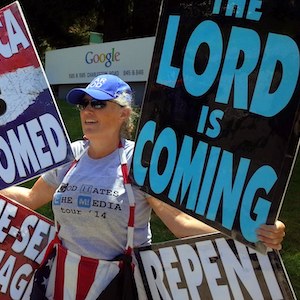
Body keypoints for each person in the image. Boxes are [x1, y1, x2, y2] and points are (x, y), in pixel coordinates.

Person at [0, 74, 286, 299]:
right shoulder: (69, 155)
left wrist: (253, 232)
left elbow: (180, 223)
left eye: (98, 103)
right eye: (83, 103)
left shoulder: (141, 160)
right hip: (62, 283)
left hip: (119, 287)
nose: (88, 110)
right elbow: (30, 197)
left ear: (124, 113)